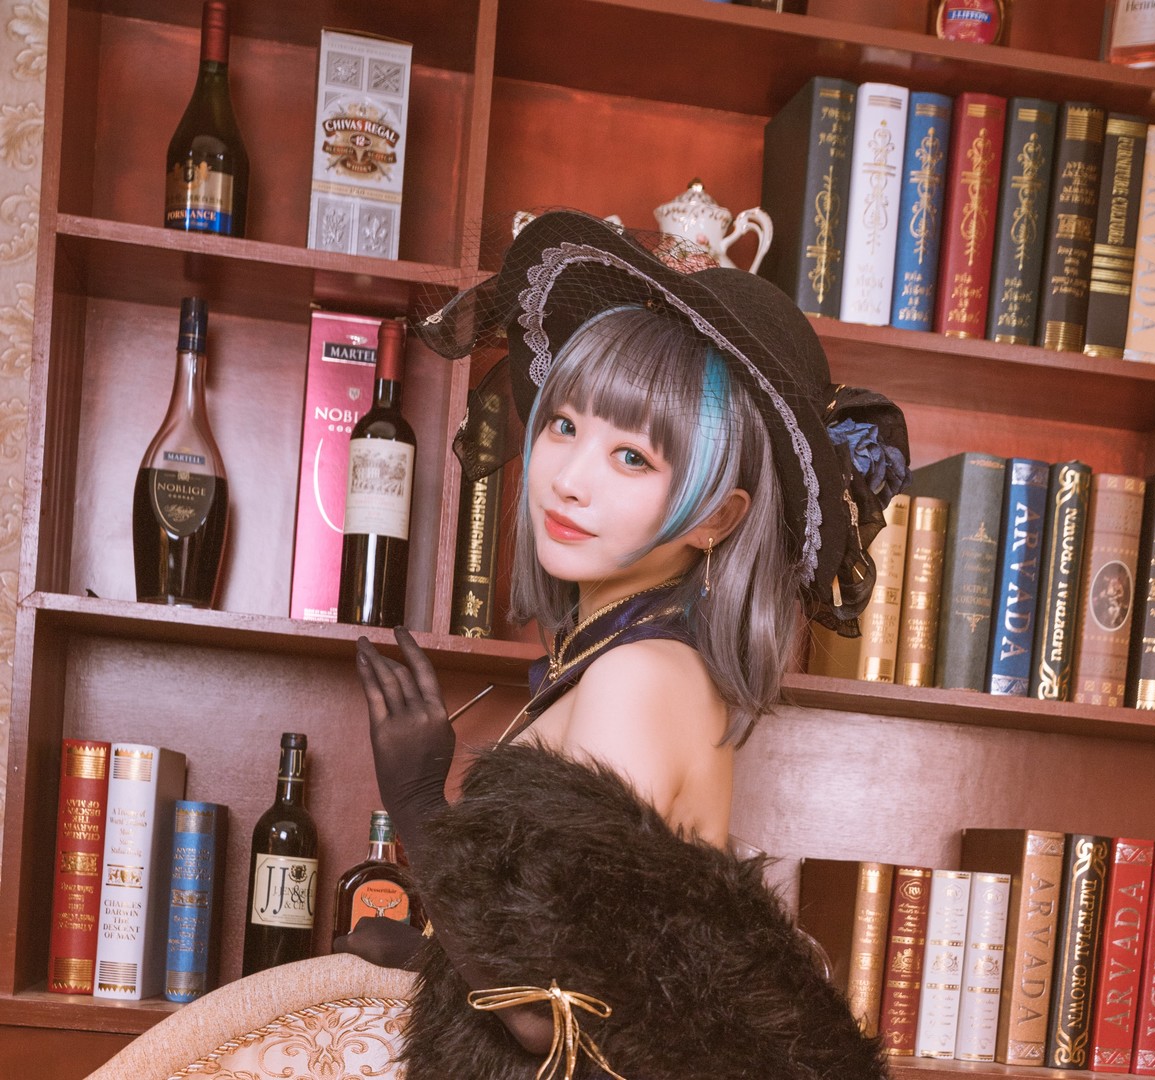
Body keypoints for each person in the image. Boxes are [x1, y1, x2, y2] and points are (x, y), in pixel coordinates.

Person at [342, 209, 909, 1079]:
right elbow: (631, 988)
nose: (570, 479)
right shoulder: (624, 659)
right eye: (565, 425)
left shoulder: (640, 677)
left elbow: (549, 1018)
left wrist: (418, 801)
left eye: (633, 457)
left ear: (719, 517)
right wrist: (429, 959)